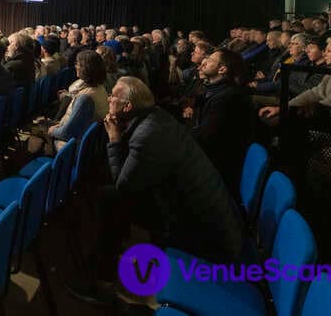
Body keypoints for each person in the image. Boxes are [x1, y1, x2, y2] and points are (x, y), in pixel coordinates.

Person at [73, 77, 243, 302]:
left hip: (198, 225)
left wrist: (114, 139)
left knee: (112, 198)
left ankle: (101, 283)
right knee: (114, 197)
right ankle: (113, 251)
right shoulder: (155, 118)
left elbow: (123, 184)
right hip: (192, 205)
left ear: (128, 107)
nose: (109, 98)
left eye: (113, 95)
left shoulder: (147, 134)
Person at [190, 48, 255, 198]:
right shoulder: (216, 91)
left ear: (222, 69)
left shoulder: (227, 97)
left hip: (218, 171)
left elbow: (206, 138)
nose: (204, 62)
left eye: (210, 60)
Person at [49, 50, 109, 148]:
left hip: (71, 146)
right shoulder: (100, 87)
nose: (76, 66)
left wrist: (52, 130)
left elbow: (67, 133)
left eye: (78, 64)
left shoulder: (85, 98)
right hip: (84, 141)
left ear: (87, 69)